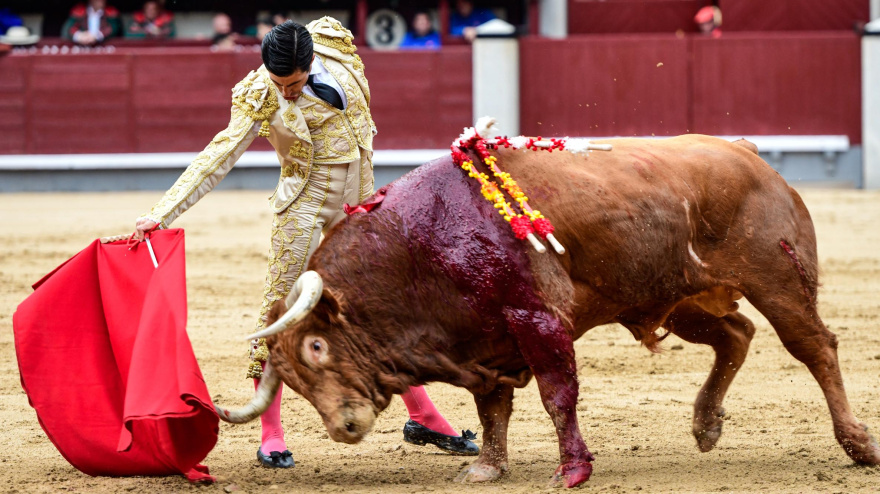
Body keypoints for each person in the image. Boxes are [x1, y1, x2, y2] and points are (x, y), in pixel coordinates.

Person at [133, 18, 478, 468]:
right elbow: (218, 155)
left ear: (310, 62)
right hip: (303, 209)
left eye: (292, 83)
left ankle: (423, 415)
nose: (286, 92)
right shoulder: (259, 92)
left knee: (378, 308)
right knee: (283, 309)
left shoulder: (334, 46)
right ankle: (271, 433)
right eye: (279, 83)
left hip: (359, 209)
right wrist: (162, 212)